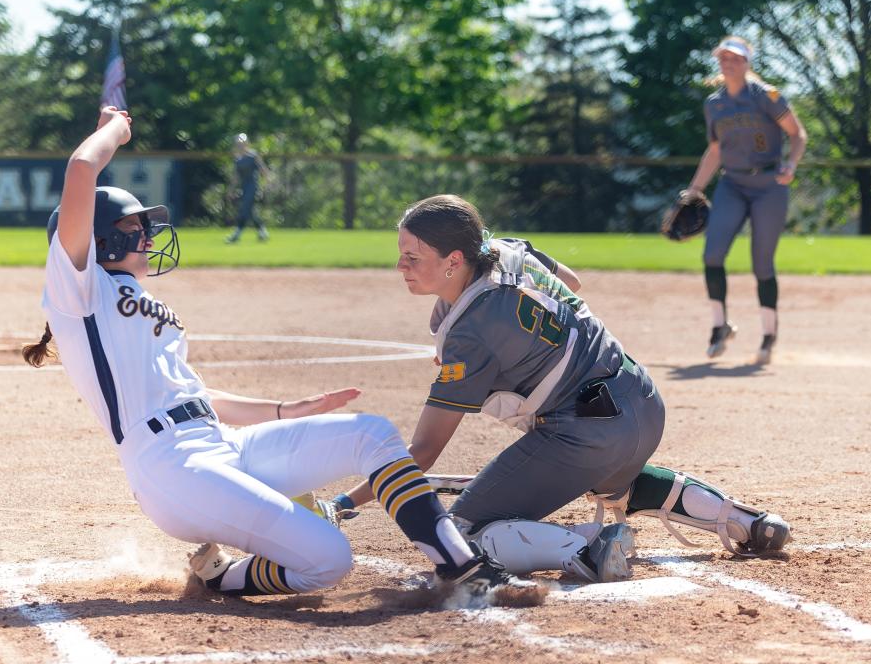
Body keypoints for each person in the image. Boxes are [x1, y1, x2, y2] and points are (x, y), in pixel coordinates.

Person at [22, 108, 524, 600]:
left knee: (371, 433)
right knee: (330, 560)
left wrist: (286, 411)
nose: (149, 236)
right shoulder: (79, 291)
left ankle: (460, 567)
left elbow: (195, 396)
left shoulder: (136, 304)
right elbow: (82, 169)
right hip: (172, 469)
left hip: (221, 444)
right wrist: (113, 129)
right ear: (100, 240)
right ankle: (221, 578)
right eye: (136, 228)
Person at [329, 194, 792, 581]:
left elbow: (424, 451)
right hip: (643, 402)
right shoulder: (503, 248)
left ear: (454, 261)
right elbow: (570, 284)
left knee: (462, 534)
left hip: (588, 434)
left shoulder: (471, 333)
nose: (400, 265)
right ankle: (743, 521)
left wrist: (345, 503)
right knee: (616, 483)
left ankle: (588, 547)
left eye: (413, 257)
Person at [685, 36, 807, 365]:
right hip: (732, 183)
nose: (728, 62)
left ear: (747, 63)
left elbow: (797, 133)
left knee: (761, 262)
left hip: (769, 184)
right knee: (712, 255)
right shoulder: (714, 104)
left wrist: (791, 164)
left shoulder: (766, 96)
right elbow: (715, 151)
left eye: (735, 58)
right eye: (723, 58)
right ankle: (718, 327)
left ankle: (768, 335)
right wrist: (695, 189)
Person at [225, 132, 270, 244]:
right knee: (250, 211)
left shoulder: (253, 156)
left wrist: (267, 183)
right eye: (238, 144)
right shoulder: (238, 159)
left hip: (253, 186)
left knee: (244, 209)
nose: (240, 146)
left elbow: (263, 171)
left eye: (242, 144)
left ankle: (237, 233)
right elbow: (236, 177)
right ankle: (262, 231)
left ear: (247, 144)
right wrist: (231, 190)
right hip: (244, 187)